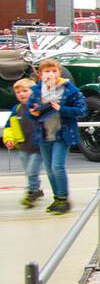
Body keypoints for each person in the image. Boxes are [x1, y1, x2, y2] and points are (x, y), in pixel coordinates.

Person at [27, 58, 86, 215]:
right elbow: (30, 110)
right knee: (49, 169)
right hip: (44, 134)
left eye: (54, 71)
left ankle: (63, 198)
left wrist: (62, 109)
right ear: (40, 74)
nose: (50, 74)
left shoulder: (70, 90)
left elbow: (81, 110)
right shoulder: (37, 91)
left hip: (63, 133)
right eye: (47, 71)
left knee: (57, 167)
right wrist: (32, 112)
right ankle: (57, 198)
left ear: (59, 72)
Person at [3, 78, 44, 207]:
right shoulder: (17, 109)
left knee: (32, 171)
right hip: (23, 147)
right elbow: (10, 126)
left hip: (38, 147)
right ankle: (36, 189)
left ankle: (31, 193)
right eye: (18, 92)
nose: (21, 94)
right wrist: (9, 139)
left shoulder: (39, 107)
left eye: (25, 91)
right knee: (29, 172)